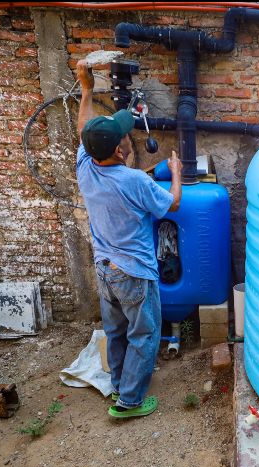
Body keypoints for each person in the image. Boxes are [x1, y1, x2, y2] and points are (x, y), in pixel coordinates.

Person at [75, 59, 182, 419]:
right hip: (134, 271)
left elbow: (82, 128)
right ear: (121, 150)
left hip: (104, 268)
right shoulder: (135, 181)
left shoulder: (86, 166)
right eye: (124, 135)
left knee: (116, 329)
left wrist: (86, 90)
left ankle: (119, 383)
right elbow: (173, 203)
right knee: (144, 334)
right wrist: (177, 173)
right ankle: (130, 403)